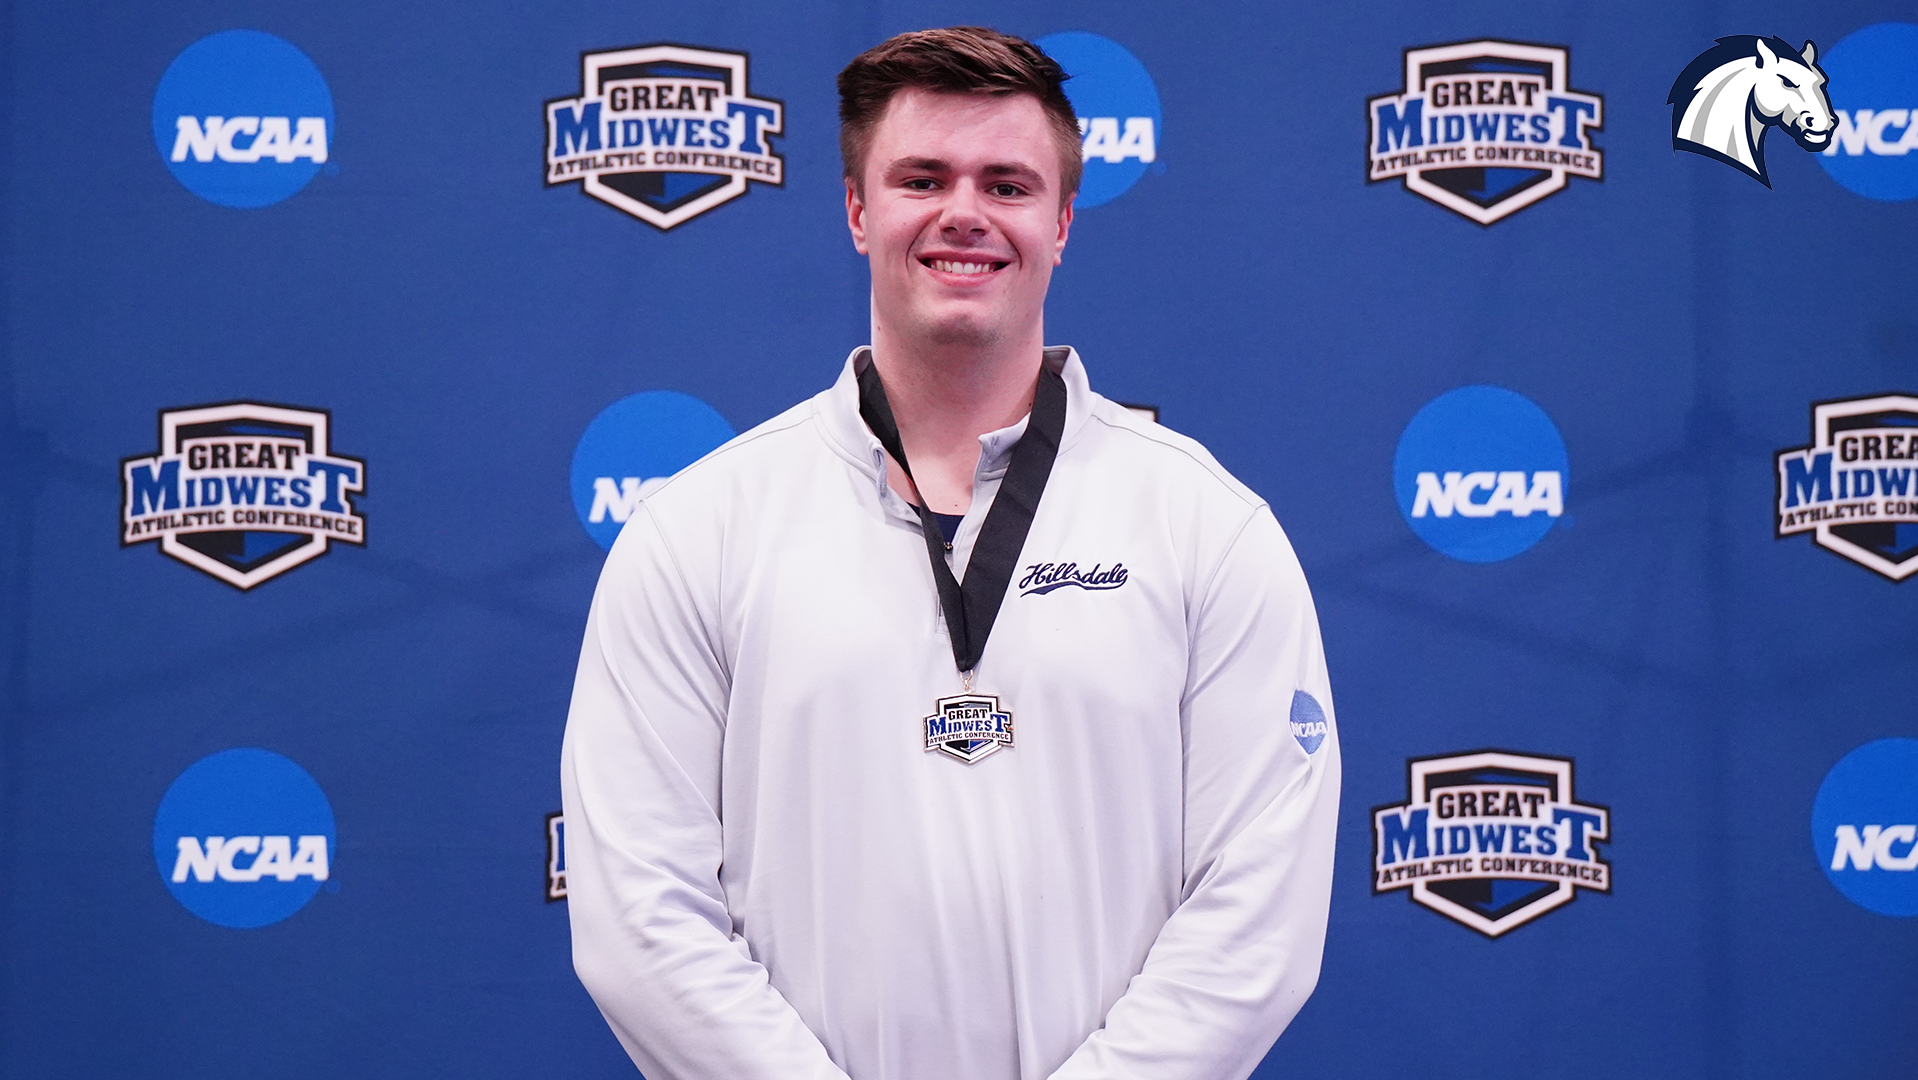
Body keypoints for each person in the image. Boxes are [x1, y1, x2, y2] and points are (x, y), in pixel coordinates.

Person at [560, 26, 1340, 1080]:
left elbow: (1257, 917)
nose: (962, 212)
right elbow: (640, 919)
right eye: (921, 177)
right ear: (855, 210)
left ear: (1063, 221)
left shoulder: (1204, 526)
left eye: (1007, 184)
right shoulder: (701, 530)